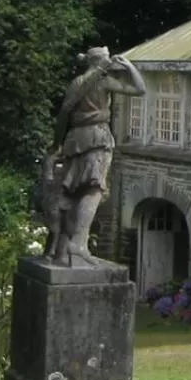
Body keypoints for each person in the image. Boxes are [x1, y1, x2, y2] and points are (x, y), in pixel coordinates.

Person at [46, 46, 145, 266]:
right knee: (93, 189)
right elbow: (140, 89)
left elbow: (64, 114)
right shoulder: (102, 82)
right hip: (97, 137)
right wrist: (129, 67)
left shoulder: (77, 83)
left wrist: (57, 143)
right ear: (101, 61)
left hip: (75, 139)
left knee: (73, 192)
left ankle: (62, 250)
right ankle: (79, 243)